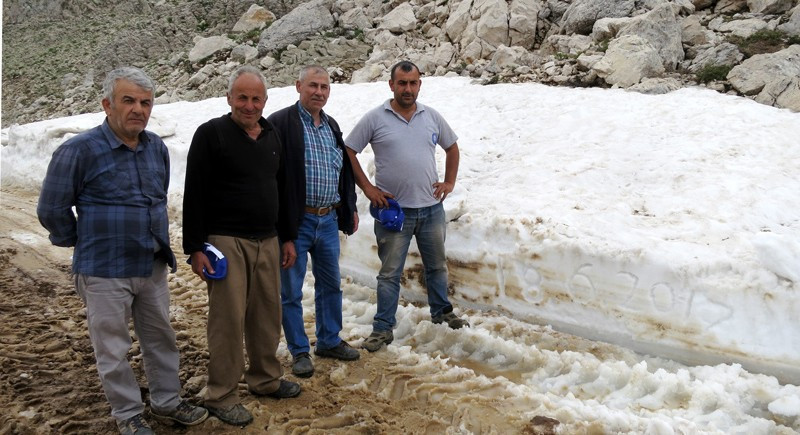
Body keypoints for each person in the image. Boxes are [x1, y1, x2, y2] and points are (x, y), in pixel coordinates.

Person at [37, 67, 208, 435]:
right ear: (107, 104)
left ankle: (167, 402)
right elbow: (51, 210)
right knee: (113, 349)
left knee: (161, 339)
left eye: (145, 102)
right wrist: (81, 242)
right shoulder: (77, 150)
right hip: (103, 270)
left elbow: (157, 198)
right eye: (128, 100)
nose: (138, 109)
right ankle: (128, 414)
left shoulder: (156, 148)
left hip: (151, 266)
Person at [182, 66, 300, 427]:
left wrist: (288, 236)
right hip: (225, 241)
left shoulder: (271, 135)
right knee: (228, 320)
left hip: (267, 239)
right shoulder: (211, 134)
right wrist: (194, 246)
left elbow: (282, 190)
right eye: (242, 97)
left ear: (265, 101)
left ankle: (264, 379)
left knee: (267, 315)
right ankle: (221, 395)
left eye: (256, 99)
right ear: (229, 98)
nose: (249, 105)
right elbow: (195, 192)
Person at [345, 60, 470, 353]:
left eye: (413, 83)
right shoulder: (375, 118)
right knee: (389, 273)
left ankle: (442, 312)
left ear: (419, 85)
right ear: (391, 85)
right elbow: (349, 150)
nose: (408, 89)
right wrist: (368, 187)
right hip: (394, 212)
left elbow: (451, 147)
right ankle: (382, 328)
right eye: (402, 83)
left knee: (436, 266)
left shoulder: (431, 116)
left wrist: (449, 182)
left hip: (430, 209)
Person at [267, 65, 360, 378]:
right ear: (298, 86)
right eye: (313, 86)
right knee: (291, 292)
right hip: (297, 222)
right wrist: (284, 231)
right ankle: (299, 351)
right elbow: (272, 180)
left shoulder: (331, 126)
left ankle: (329, 340)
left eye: (324, 87)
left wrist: (349, 208)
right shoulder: (280, 123)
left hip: (328, 219)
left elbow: (342, 171)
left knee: (330, 284)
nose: (319, 92)